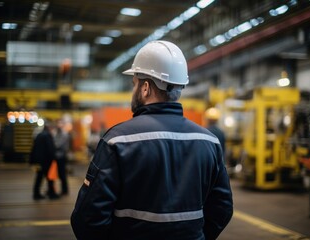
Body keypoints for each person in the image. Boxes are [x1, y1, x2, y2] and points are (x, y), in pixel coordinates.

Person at [71, 40, 233, 240]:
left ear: (145, 88)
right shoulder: (210, 142)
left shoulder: (117, 141)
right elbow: (222, 208)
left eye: (134, 84)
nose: (134, 91)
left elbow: (88, 218)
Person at [30, 121, 59, 200]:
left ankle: (36, 194)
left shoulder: (39, 135)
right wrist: (54, 158)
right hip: (46, 161)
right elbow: (50, 149)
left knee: (39, 177)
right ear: (49, 128)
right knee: (50, 178)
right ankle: (51, 194)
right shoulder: (47, 135)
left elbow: (34, 148)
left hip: (39, 161)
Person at [54, 120, 70, 195]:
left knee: (62, 174)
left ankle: (65, 190)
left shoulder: (64, 134)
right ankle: (63, 190)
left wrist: (52, 144)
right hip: (58, 156)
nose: (58, 125)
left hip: (61, 156)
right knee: (60, 174)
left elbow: (58, 144)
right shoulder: (57, 133)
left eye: (60, 124)